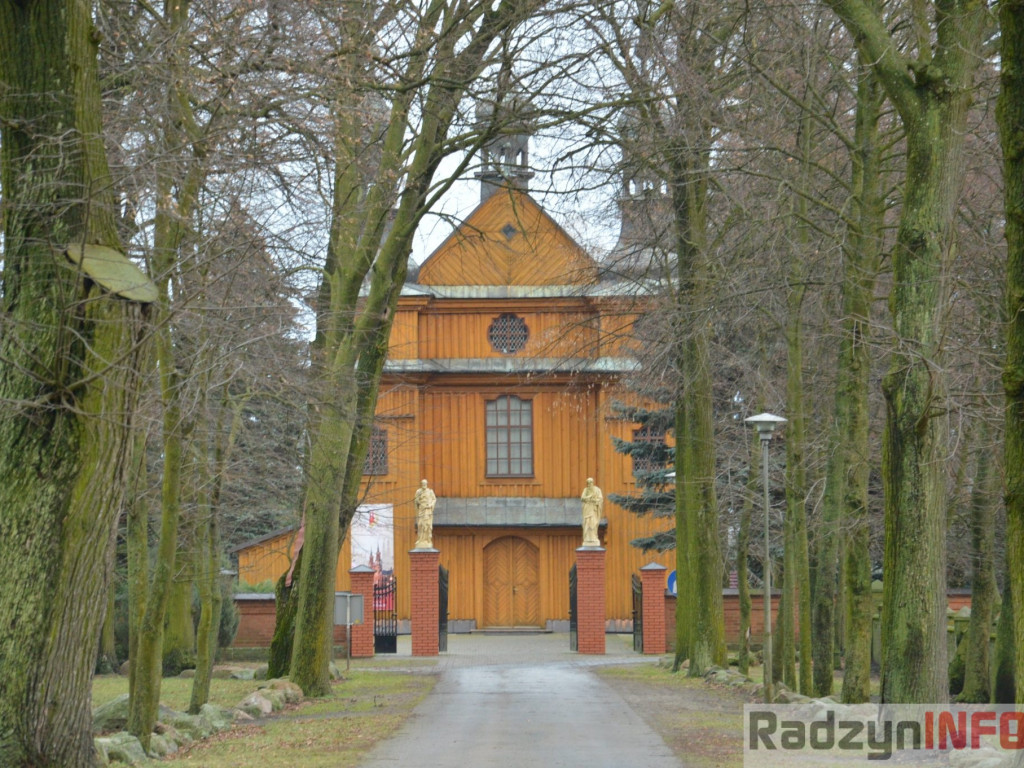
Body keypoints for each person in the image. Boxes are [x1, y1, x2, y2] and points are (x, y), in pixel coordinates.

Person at [414, 479, 436, 548]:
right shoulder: (418, 491)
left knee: (427, 524)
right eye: (423, 484)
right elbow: (416, 500)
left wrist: (430, 505)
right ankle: (420, 539)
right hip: (421, 509)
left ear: (427, 484)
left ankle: (427, 539)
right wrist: (418, 502)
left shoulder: (430, 491)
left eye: (425, 484)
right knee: (420, 524)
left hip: (427, 509)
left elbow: (434, 499)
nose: (424, 485)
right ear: (421, 484)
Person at [580, 477, 603, 546]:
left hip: (593, 509)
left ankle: (593, 537)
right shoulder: (585, 490)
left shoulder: (597, 490)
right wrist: (589, 497)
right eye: (588, 483)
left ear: (593, 482)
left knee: (593, 522)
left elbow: (600, 499)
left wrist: (595, 501)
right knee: (587, 522)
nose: (589, 484)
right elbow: (582, 498)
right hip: (587, 508)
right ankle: (587, 538)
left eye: (590, 482)